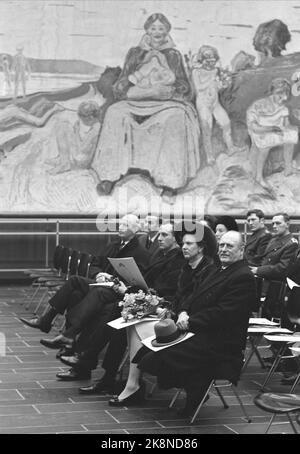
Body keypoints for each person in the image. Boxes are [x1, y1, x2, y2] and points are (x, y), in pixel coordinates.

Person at [137, 231, 256, 416]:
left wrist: (190, 322)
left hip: (222, 342)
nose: (224, 249)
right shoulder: (218, 268)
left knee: (160, 357)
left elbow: (224, 314)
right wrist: (184, 310)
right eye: (222, 245)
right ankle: (194, 387)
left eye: (230, 246)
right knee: (148, 352)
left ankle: (196, 390)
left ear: (242, 249)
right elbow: (193, 294)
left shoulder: (243, 276)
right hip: (202, 330)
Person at [106, 222, 219, 406]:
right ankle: (132, 384)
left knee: (139, 324)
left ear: (201, 248)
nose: (184, 247)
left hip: (192, 326)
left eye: (189, 244)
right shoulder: (188, 268)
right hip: (176, 316)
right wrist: (166, 308)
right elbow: (181, 298)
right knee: (135, 321)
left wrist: (171, 310)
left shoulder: (208, 270)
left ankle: (133, 385)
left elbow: (196, 303)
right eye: (183, 243)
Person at [58, 222, 186, 384]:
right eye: (159, 234)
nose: (159, 238)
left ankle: (89, 362)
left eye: (164, 235)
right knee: (101, 310)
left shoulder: (177, 260)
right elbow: (148, 280)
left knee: (109, 312)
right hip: (144, 296)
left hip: (159, 306)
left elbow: (163, 288)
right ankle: (86, 361)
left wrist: (131, 289)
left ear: (176, 240)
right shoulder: (161, 255)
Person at [92, 13, 201, 197]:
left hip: (165, 102)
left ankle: (169, 181)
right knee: (115, 112)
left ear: (167, 31)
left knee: (176, 117)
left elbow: (184, 86)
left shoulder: (173, 55)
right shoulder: (135, 53)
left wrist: (168, 89)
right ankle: (109, 175)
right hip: (136, 99)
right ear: (147, 31)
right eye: (153, 28)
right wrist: (137, 86)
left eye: (161, 28)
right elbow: (121, 84)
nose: (157, 32)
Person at [19, 215, 149, 360]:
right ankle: (50, 322)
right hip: (102, 284)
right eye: (120, 224)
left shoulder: (140, 252)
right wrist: (99, 273)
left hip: (118, 291)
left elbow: (138, 279)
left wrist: (117, 282)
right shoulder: (113, 244)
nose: (120, 227)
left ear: (135, 229)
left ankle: (69, 338)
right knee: (75, 284)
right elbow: (94, 263)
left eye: (125, 225)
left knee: (82, 294)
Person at [246, 78, 298, 189]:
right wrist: (270, 129)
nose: (284, 99)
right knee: (265, 144)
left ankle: (288, 168)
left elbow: (286, 124)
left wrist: (291, 127)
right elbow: (254, 127)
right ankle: (259, 177)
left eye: (286, 95)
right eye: (280, 95)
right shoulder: (260, 105)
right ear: (274, 92)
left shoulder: (283, 107)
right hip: (260, 131)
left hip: (276, 131)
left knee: (292, 135)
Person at [191, 45, 236, 165]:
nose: (210, 61)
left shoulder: (216, 71)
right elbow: (199, 88)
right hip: (203, 104)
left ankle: (231, 148)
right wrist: (212, 80)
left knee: (226, 123)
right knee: (207, 128)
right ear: (201, 59)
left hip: (215, 103)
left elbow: (218, 88)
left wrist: (223, 85)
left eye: (212, 58)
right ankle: (209, 156)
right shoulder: (196, 72)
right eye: (207, 57)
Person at [249, 212, 298, 319]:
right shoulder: (273, 240)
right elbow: (264, 259)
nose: (274, 226)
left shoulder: (291, 244)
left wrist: (258, 270)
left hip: (276, 290)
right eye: (273, 224)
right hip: (264, 286)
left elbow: (282, 268)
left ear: (287, 224)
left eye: (278, 223)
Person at [46, 101, 102, 175]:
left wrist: (76, 132)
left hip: (81, 162)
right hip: (81, 157)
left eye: (83, 119)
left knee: (63, 126)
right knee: (64, 125)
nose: (81, 121)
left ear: (91, 118)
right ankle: (63, 159)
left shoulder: (96, 129)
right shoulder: (96, 126)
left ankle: (64, 163)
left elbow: (82, 148)